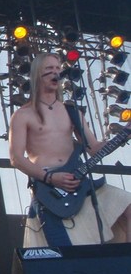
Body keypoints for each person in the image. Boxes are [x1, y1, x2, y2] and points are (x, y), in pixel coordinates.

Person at [8, 52, 131, 247]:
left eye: (58, 69)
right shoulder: (23, 115)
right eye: (49, 69)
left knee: (128, 207)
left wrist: (124, 133)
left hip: (79, 181)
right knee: (62, 248)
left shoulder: (72, 112)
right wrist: (50, 178)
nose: (55, 73)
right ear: (37, 74)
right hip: (49, 187)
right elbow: (16, 158)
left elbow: (94, 149)